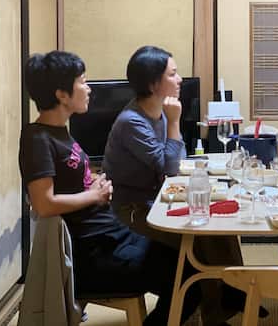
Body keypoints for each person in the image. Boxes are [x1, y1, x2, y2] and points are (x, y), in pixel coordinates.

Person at [19, 50, 198, 326]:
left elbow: (71, 179)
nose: (88, 88)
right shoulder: (37, 139)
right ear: (62, 94)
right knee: (190, 277)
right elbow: (43, 203)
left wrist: (93, 183)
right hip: (92, 253)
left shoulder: (60, 132)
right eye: (82, 81)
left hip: (110, 235)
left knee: (192, 259)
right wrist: (93, 195)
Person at [103, 45, 254, 326]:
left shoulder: (158, 111)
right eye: (172, 74)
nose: (180, 79)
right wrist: (174, 122)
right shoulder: (132, 122)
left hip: (158, 200)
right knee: (201, 238)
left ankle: (228, 299)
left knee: (220, 229)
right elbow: (172, 167)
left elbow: (177, 160)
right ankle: (222, 304)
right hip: (133, 211)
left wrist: (171, 122)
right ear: (153, 84)